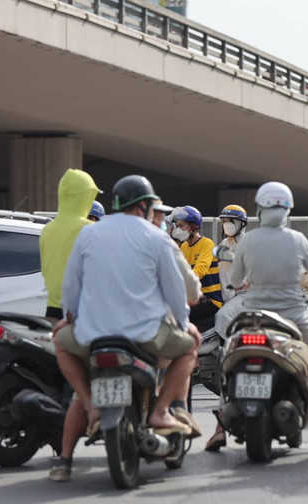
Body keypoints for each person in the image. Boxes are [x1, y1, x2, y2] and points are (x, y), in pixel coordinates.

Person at [53, 175, 202, 481]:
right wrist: (185, 325)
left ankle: (91, 404)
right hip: (145, 336)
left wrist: (70, 317)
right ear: (145, 206)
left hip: (93, 335)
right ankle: (161, 411)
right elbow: (176, 292)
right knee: (189, 351)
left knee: (60, 343)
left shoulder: (89, 234)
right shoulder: (157, 238)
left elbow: (71, 286)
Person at [205, 181, 308, 453]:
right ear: (287, 210)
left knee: (228, 363)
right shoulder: (297, 239)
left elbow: (236, 280)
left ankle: (218, 432)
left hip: (254, 315)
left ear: (260, 209)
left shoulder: (248, 241)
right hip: (294, 315)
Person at [39, 169, 100, 482]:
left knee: (64, 364)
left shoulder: (47, 230)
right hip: (82, 312)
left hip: (52, 308)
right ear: (85, 197)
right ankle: (90, 409)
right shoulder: (89, 229)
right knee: (88, 371)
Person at [172, 206, 223, 330]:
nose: (178, 230)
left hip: (210, 300)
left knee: (177, 315)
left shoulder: (207, 244)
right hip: (193, 297)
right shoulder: (183, 246)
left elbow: (200, 270)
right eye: (177, 226)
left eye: (181, 226)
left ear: (194, 227)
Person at [212, 204, 251, 339]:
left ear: (241, 223)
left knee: (223, 316)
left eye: (230, 221)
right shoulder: (225, 242)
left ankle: (224, 352)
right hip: (224, 294)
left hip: (243, 294)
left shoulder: (248, 241)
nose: (226, 224)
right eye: (225, 221)